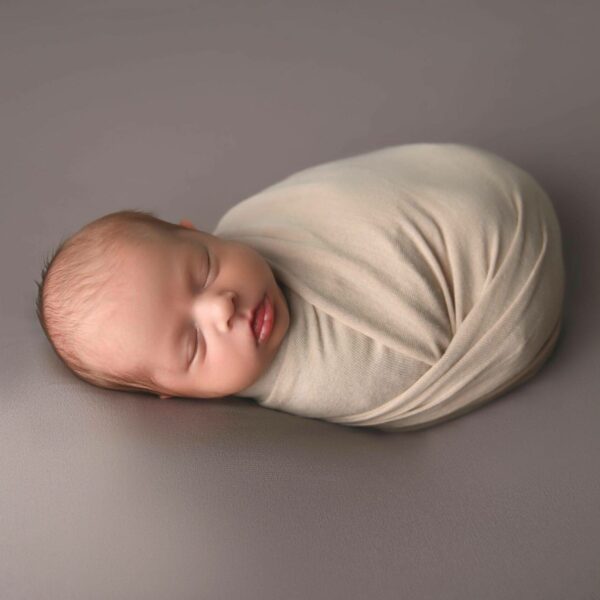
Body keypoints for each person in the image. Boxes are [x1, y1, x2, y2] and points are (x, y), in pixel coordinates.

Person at [35, 211, 291, 400]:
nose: (222, 308)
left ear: (196, 232)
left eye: (205, 270)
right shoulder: (311, 380)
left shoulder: (264, 216)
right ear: (172, 392)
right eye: (194, 343)